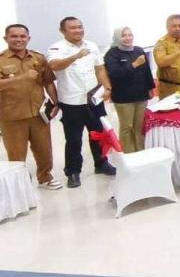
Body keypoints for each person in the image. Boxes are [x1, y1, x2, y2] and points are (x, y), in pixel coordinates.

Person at [47, 17, 116, 188]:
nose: (78, 30)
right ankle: (73, 171)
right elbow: (54, 66)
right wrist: (76, 56)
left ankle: (101, 163)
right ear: (62, 31)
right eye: (72, 28)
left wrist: (107, 88)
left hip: (94, 99)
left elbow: (99, 69)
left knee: (98, 134)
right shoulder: (56, 48)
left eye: (80, 27)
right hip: (72, 102)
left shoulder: (91, 45)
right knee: (74, 139)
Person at [0, 23, 61, 189]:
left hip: (38, 114)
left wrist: (56, 103)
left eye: (22, 36)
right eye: (14, 36)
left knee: (44, 150)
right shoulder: (1, 60)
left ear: (28, 38)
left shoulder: (38, 58)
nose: (18, 39)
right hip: (12, 116)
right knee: (16, 154)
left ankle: (45, 177)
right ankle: (20, 184)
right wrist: (22, 78)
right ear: (6, 38)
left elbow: (48, 82)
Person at [104, 27, 154, 153]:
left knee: (140, 126)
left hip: (141, 94)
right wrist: (134, 64)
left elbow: (147, 71)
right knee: (127, 127)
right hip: (123, 97)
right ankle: (128, 154)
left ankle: (141, 151)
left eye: (130, 35)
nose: (128, 38)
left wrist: (150, 87)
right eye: (124, 35)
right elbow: (114, 74)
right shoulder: (112, 54)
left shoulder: (138, 50)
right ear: (117, 37)